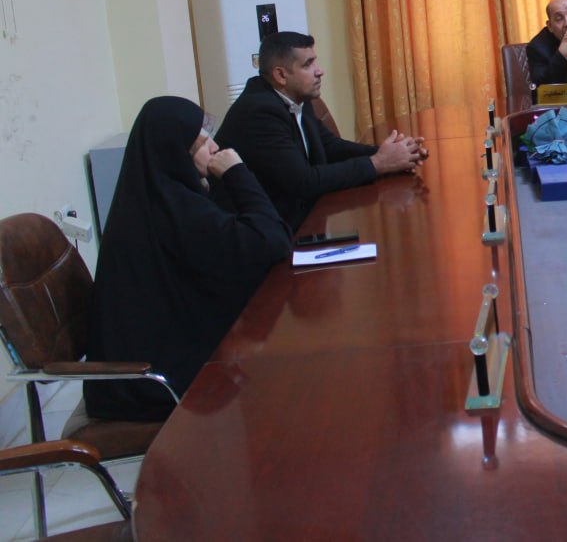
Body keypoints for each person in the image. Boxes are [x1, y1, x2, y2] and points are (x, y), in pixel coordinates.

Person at [86, 96, 292, 421]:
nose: (215, 147)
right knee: (282, 373)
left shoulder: (154, 195)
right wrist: (237, 173)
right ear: (176, 151)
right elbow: (272, 242)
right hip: (149, 382)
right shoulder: (174, 209)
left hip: (147, 363)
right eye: (202, 142)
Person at [215, 31, 426, 230]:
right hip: (265, 231)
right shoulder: (260, 112)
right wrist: (378, 163)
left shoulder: (295, 96)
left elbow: (329, 146)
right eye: (308, 64)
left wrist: (393, 154)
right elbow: (304, 182)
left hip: (297, 216)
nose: (319, 71)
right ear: (281, 75)